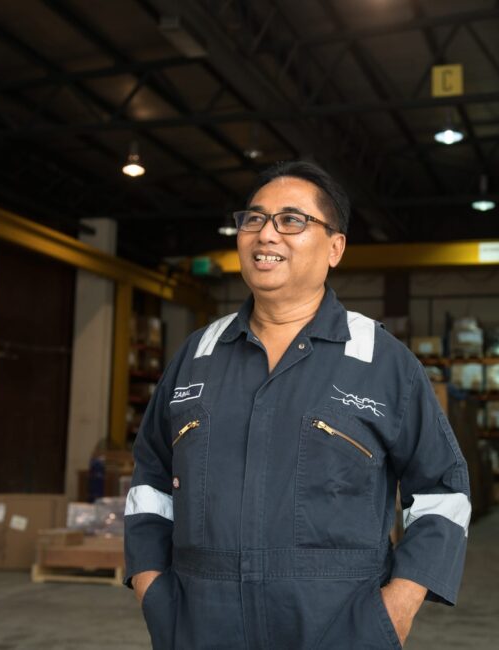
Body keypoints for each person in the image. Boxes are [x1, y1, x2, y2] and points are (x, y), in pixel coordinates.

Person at [124, 160, 470, 649]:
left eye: (291, 220)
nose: (266, 235)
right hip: (201, 626)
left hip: (338, 629)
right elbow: (150, 482)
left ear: (335, 247)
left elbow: (442, 493)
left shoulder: (382, 362)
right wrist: (150, 586)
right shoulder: (198, 356)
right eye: (253, 219)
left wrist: (397, 607)